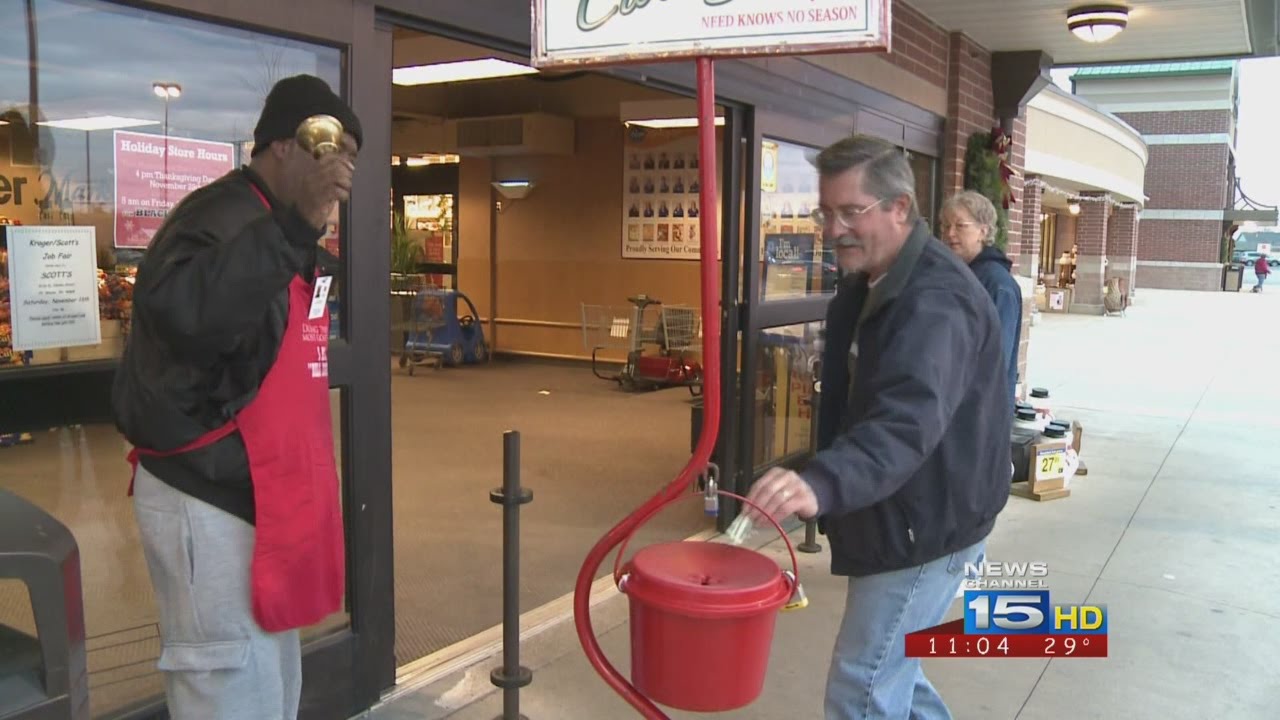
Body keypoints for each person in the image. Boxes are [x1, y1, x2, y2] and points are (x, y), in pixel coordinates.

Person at [111, 75, 361, 719]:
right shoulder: (214, 217)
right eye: (329, 152)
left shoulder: (285, 231)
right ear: (284, 146)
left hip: (263, 502)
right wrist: (292, 227)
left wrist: (297, 233)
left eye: (348, 161)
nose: (339, 174)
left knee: (268, 687)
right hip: (207, 496)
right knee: (226, 691)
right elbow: (188, 317)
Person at [744, 136, 1012, 720]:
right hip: (912, 511)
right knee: (894, 671)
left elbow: (906, 419)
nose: (834, 228)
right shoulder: (874, 279)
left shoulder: (935, 301)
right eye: (827, 212)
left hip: (925, 526)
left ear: (900, 209)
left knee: (862, 685)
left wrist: (824, 482)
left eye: (851, 211)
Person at [940, 190, 1023, 408]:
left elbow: (994, 361)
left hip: (978, 415)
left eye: (960, 225)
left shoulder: (997, 285)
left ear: (982, 231)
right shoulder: (954, 276)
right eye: (945, 225)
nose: (950, 233)